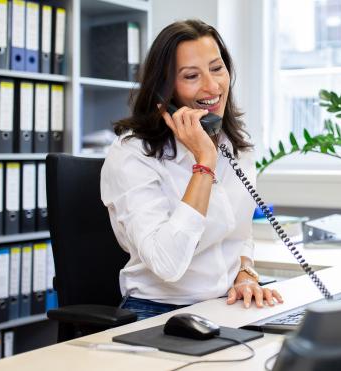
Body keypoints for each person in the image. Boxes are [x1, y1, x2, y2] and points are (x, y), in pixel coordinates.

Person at [100, 19, 283, 320]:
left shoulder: (235, 146)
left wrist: (246, 273)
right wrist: (203, 164)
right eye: (191, 76)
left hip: (225, 307)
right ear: (164, 91)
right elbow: (168, 265)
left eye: (217, 68)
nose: (212, 86)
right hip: (158, 314)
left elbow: (240, 234)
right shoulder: (132, 156)